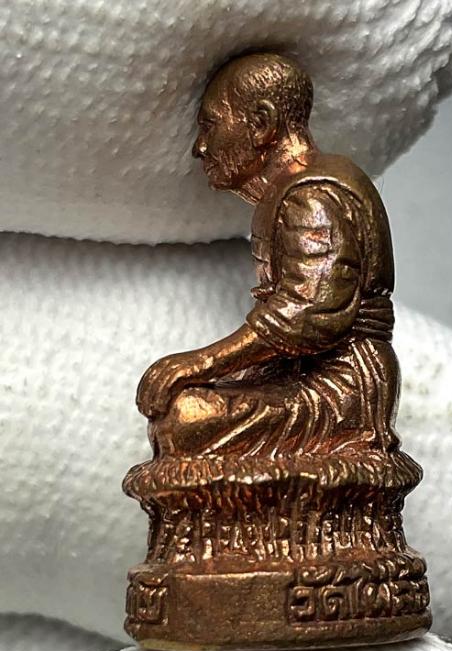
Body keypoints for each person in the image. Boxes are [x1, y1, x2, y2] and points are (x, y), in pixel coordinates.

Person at [137, 52, 403, 460]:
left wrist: (201, 363)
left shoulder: (312, 196)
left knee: (184, 419)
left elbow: (306, 314)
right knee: (180, 412)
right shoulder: (290, 193)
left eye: (210, 125)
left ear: (262, 124)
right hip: (295, 374)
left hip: (341, 387)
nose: (200, 147)